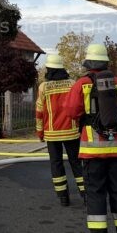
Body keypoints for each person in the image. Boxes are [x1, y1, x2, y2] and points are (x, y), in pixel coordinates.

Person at [68, 43, 117, 233]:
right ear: (106, 62)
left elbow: (71, 112)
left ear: (88, 64)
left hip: (92, 151)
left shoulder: (81, 85)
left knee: (96, 195)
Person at [35, 54, 84, 206]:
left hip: (52, 133)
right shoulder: (72, 84)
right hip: (71, 131)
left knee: (56, 164)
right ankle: (86, 194)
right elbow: (80, 107)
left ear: (49, 69)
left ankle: (63, 197)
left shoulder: (44, 87)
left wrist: (40, 132)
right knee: (76, 163)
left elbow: (39, 112)